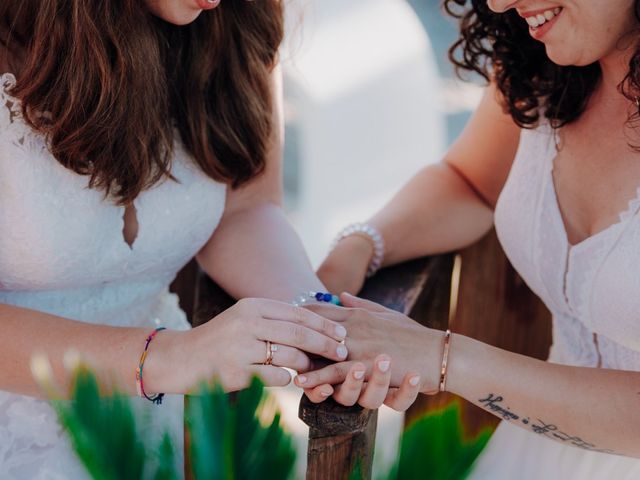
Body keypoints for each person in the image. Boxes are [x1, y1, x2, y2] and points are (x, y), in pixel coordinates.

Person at [0, 1, 423, 477]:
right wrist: (170, 356)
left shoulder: (241, 17)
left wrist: (320, 326)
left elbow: (244, 210)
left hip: (156, 420)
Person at [299, 0, 640, 477]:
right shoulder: (542, 62)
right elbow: (470, 182)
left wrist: (442, 358)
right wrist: (360, 247)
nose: (500, 3)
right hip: (531, 458)